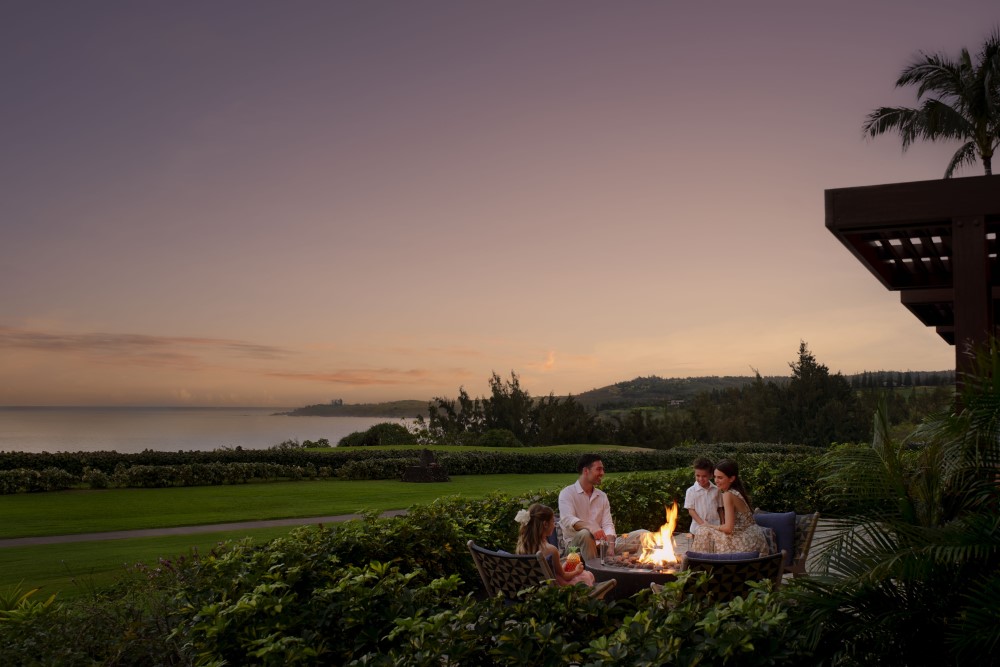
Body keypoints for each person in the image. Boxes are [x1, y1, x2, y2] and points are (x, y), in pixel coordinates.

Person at [690, 459, 770, 555]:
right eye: (715, 477)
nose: (716, 481)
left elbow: (728, 529)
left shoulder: (728, 495)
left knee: (702, 530)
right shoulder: (736, 491)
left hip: (746, 542)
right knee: (705, 531)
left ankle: (700, 564)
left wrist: (709, 525)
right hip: (755, 538)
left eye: (720, 478)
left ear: (731, 478)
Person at [515, 503, 595, 587]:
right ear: (545, 524)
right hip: (556, 589)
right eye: (553, 521)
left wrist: (563, 566)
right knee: (587, 575)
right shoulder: (551, 550)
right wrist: (577, 571)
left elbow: (553, 571)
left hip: (535, 588)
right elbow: (565, 576)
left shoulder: (521, 547)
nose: (554, 525)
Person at [558, 453, 615, 561]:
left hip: (601, 544)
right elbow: (568, 520)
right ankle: (596, 574)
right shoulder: (567, 493)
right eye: (598, 469)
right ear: (586, 471)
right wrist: (591, 527)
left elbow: (608, 525)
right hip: (574, 549)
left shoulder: (602, 496)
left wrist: (611, 545)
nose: (602, 473)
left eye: (602, 469)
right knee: (585, 533)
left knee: (640, 535)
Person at [684, 457, 722, 535]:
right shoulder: (691, 491)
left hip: (715, 527)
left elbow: (720, 508)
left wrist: (723, 523)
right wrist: (703, 525)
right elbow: (691, 510)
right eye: (698, 475)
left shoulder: (716, 490)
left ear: (711, 475)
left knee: (714, 547)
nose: (700, 479)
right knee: (698, 547)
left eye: (704, 476)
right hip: (697, 528)